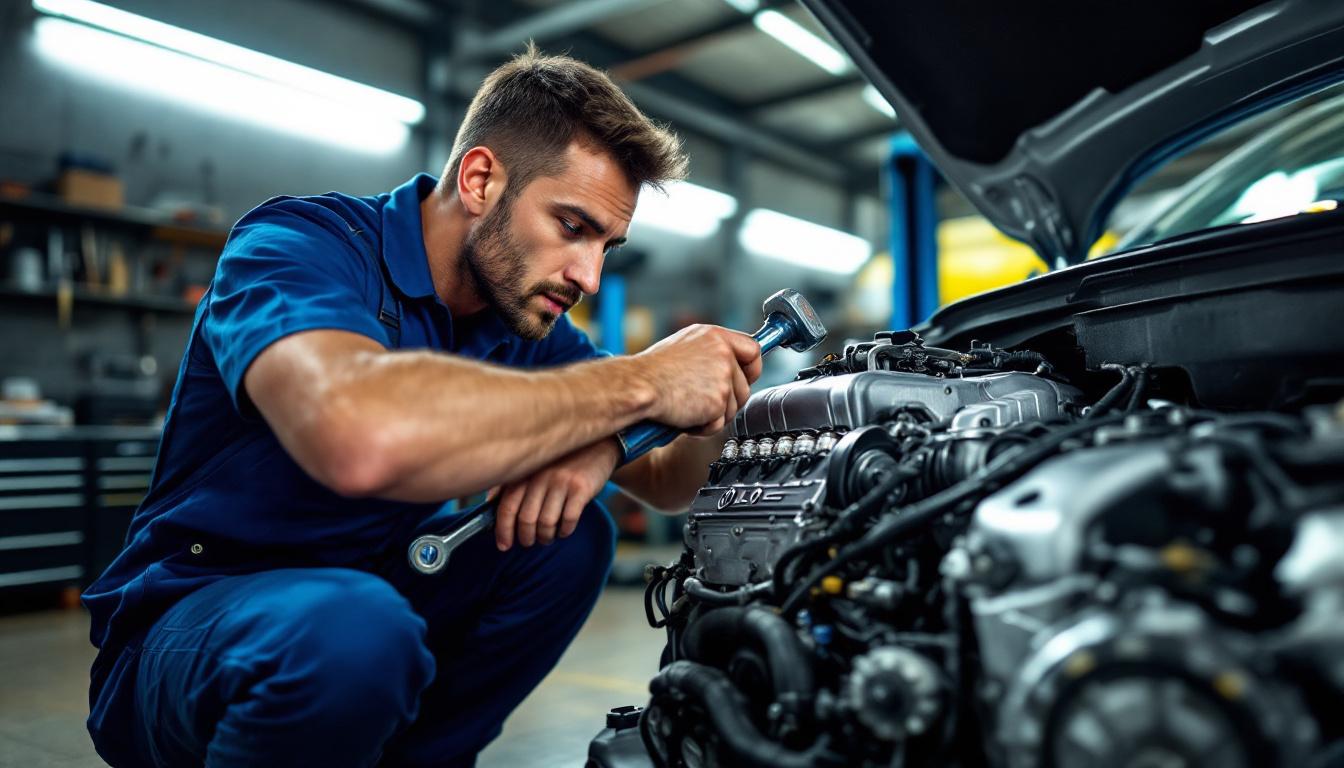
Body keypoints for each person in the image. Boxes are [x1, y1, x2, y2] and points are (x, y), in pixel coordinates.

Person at [82, 46, 762, 767]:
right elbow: (358, 438)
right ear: (479, 180)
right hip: (195, 623)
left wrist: (695, 407)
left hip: (369, 602)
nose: (589, 276)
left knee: (569, 539)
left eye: (607, 246)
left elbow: (668, 481)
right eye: (572, 227)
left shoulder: (519, 321)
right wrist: (643, 381)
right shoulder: (299, 247)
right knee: (351, 635)